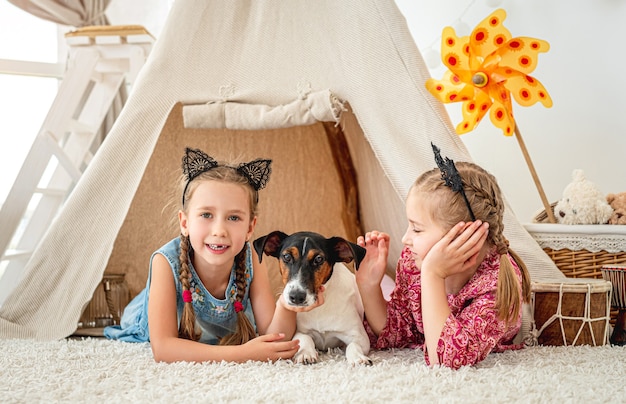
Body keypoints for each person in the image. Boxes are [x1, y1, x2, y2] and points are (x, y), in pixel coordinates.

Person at [105, 147, 320, 363]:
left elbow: (274, 337)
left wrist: (285, 305)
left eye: (233, 218)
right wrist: (243, 354)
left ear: (250, 227)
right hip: (143, 318)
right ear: (185, 222)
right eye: (206, 215)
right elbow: (163, 349)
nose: (219, 230)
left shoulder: (251, 257)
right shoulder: (165, 262)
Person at [355, 143, 531, 369]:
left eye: (417, 229)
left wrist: (433, 275)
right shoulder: (413, 261)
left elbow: (448, 359)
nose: (405, 239)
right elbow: (399, 333)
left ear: (463, 236)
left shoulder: (494, 287)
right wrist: (369, 286)